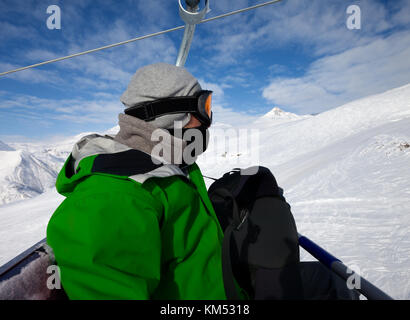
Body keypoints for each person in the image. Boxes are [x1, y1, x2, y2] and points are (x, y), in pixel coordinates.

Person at [46, 63, 246, 300]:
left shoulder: (170, 165)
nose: (207, 121)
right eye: (204, 107)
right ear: (170, 115)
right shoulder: (114, 196)